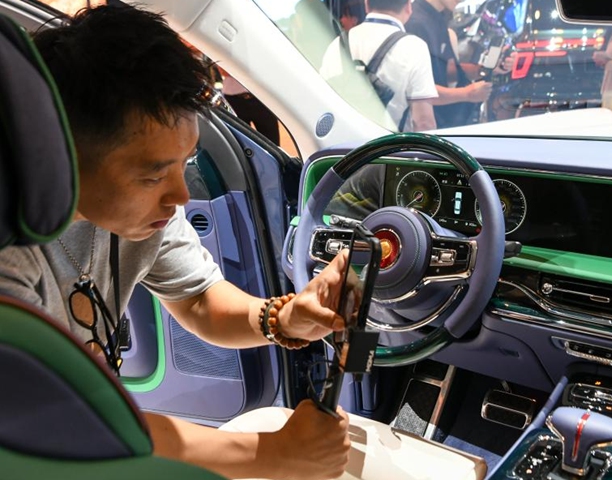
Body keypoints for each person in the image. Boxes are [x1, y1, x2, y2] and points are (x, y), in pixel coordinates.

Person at [0, 5, 350, 480]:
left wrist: (283, 318)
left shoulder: (140, 219)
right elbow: (49, 422)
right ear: (61, 152)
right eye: (154, 174)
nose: (181, 197)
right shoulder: (11, 254)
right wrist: (271, 455)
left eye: (183, 164)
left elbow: (201, 301)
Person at [321, 0, 439, 132]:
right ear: (408, 8)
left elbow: (322, 102)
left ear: (366, 4)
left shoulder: (337, 43)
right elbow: (423, 122)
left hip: (342, 145)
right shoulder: (414, 47)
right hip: (388, 148)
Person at [405, 0, 516, 128]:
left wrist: (485, 69)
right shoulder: (416, 22)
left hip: (448, 122)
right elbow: (417, 89)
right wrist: (467, 94)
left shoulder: (437, 17)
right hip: (433, 127)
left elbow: (446, 70)